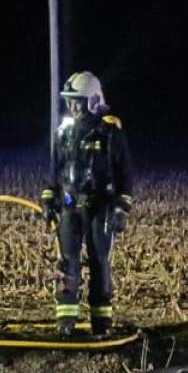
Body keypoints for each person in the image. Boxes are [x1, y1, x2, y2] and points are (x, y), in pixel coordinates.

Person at [40, 70, 133, 336]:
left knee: (98, 261)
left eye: (77, 100)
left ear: (92, 100)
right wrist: (49, 200)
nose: (72, 106)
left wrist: (121, 208)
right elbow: (54, 172)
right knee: (67, 262)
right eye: (69, 101)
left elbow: (125, 175)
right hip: (69, 207)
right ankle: (66, 321)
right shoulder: (65, 132)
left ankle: (101, 322)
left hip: (99, 206)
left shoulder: (109, 132)